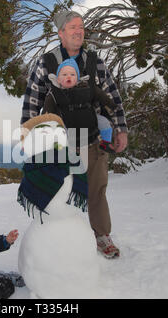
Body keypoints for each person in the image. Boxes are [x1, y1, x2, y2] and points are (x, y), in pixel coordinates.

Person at [21, 10, 128, 259]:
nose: (79, 31)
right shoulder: (46, 63)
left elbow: (112, 97)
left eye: (81, 26)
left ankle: (101, 235)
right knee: (57, 191)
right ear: (61, 33)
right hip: (58, 145)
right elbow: (32, 101)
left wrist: (119, 129)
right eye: (72, 27)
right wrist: (28, 134)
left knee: (96, 189)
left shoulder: (95, 62)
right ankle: (58, 242)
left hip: (92, 139)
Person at [44, 57, 116, 153]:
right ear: (58, 79)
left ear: (77, 77)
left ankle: (105, 143)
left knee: (105, 123)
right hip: (67, 121)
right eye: (64, 74)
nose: (68, 77)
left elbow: (100, 95)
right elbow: (48, 107)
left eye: (72, 74)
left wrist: (111, 104)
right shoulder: (55, 93)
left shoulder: (87, 86)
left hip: (90, 118)